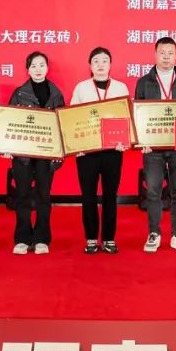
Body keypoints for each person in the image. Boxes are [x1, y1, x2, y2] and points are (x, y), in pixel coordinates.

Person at [134, 37, 176, 253]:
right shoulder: (144, 82)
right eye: (162, 52)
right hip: (153, 147)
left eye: (170, 53)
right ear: (155, 55)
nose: (166, 57)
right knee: (153, 191)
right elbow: (138, 113)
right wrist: (141, 141)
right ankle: (154, 233)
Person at [70, 47, 130, 254]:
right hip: (87, 152)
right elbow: (72, 118)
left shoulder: (121, 87)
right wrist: (75, 145)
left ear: (110, 64)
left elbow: (127, 117)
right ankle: (90, 238)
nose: (101, 64)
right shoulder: (81, 88)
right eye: (96, 61)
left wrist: (125, 140)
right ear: (90, 65)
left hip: (113, 151)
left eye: (105, 60)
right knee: (88, 195)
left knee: (110, 195)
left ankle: (109, 238)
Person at [5, 52, 66, 255]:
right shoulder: (19, 93)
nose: (38, 69)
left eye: (41, 65)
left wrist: (60, 152)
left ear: (47, 68)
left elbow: (62, 125)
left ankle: (41, 238)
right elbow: (9, 121)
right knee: (22, 195)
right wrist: (7, 146)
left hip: (46, 154)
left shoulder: (56, 94)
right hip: (22, 154)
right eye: (33, 66)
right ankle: (22, 238)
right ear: (27, 70)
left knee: (43, 196)